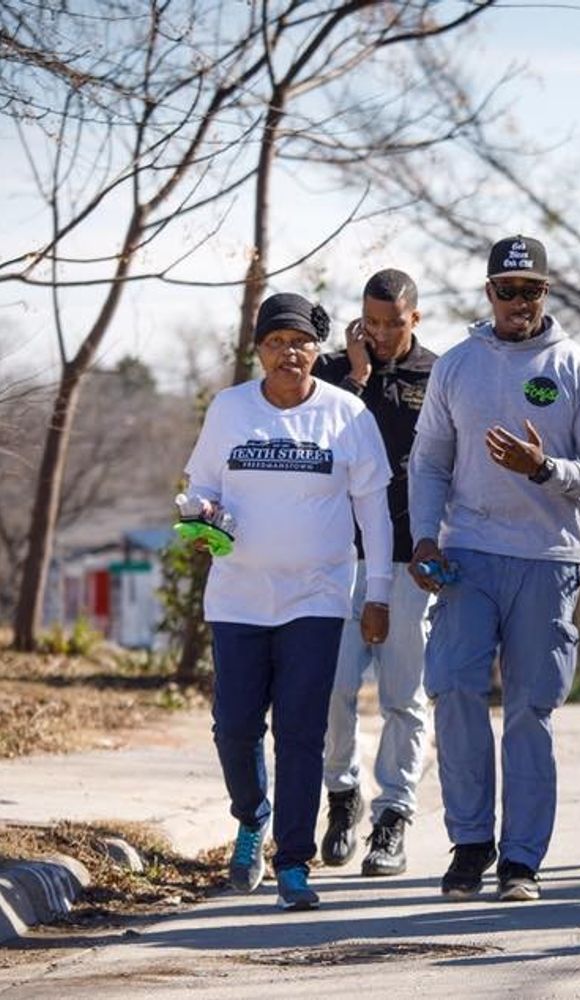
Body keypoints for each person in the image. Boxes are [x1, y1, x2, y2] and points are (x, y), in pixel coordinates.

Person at [408, 235, 580, 902]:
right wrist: (422, 538)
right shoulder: (457, 366)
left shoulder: (578, 367)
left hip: (546, 559)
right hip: (467, 555)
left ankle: (521, 859)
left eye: (531, 290)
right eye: (507, 289)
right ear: (489, 293)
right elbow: (430, 461)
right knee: (453, 688)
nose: (518, 302)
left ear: (546, 294)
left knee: (531, 707)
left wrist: (546, 469)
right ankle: (471, 844)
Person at [183, 292, 393, 912]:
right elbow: (201, 485)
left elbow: (374, 515)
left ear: (316, 350)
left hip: (317, 596)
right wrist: (200, 517)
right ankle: (252, 819)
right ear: (259, 352)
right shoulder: (229, 410)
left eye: (299, 342)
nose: (288, 354)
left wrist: (376, 592)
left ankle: (293, 862)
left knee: (302, 732)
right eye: (275, 343)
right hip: (239, 595)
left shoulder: (347, 415)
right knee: (235, 727)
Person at [312, 268, 438, 878]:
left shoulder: (440, 375)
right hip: (341, 558)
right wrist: (358, 378)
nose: (382, 334)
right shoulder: (333, 375)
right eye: (372, 322)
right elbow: (331, 450)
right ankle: (342, 797)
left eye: (394, 323)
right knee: (333, 688)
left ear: (416, 317)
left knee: (402, 696)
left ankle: (393, 815)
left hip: (409, 556)